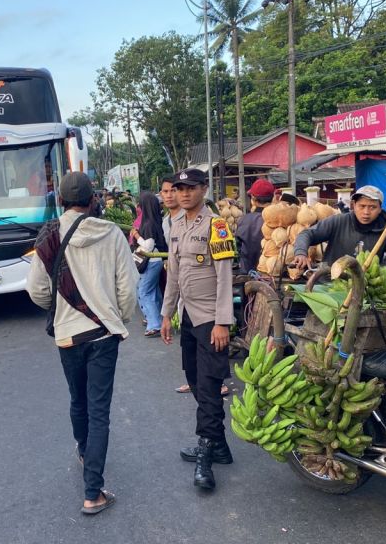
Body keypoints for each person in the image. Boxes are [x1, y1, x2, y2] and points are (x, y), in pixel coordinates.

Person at [26, 172, 138, 516]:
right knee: (99, 410)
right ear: (94, 200)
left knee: (78, 399)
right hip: (103, 335)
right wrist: (115, 317)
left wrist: (59, 310)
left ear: (60, 201)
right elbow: (126, 290)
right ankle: (93, 493)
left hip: (68, 336)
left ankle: (82, 449)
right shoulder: (113, 235)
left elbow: (37, 291)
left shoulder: (49, 237)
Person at [160, 167, 236, 491]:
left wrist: (222, 322)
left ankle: (206, 452)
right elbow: (174, 274)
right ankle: (219, 445)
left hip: (210, 320)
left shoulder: (216, 225)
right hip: (188, 317)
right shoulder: (176, 226)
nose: (184, 192)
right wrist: (166, 314)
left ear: (204, 189)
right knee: (193, 379)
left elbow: (225, 276)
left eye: (191, 187)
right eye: (179, 188)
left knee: (208, 386)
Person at [292, 185, 386, 272]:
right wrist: (301, 253)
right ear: (353, 205)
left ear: (379, 208)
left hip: (365, 285)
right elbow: (306, 234)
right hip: (330, 283)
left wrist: (377, 270)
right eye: (362, 206)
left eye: (372, 207)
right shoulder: (338, 221)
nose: (366, 212)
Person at [134, 192, 167, 337]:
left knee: (144, 291)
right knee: (154, 292)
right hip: (157, 261)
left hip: (151, 261)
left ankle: (154, 324)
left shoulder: (147, 224)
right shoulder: (156, 221)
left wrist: (136, 236)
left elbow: (148, 246)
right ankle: (157, 319)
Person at [236, 179, 276, 274]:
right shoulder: (279, 220)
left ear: (253, 199)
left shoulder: (244, 220)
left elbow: (237, 248)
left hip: (247, 274)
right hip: (273, 272)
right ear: (273, 198)